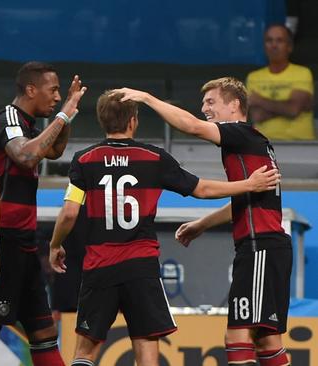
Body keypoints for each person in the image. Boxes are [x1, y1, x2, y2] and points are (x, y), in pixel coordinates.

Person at [48, 90, 280, 366]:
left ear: (101, 121)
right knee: (146, 348)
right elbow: (202, 189)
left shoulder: (84, 160)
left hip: (99, 265)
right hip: (141, 267)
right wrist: (247, 185)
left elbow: (69, 213)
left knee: (85, 351)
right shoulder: (153, 158)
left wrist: (55, 244)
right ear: (134, 121)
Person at [116, 77, 292, 366]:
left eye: (211, 102)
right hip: (267, 248)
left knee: (237, 338)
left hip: (260, 248)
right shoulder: (251, 142)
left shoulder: (239, 134)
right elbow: (248, 199)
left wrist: (147, 98)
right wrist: (202, 224)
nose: (203, 108)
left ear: (235, 105)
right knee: (266, 340)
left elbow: (191, 126)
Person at [0, 61, 86, 366]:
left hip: (23, 242)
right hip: (0, 240)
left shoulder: (26, 123)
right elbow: (27, 156)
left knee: (44, 331)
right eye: (53, 90)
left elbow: (53, 150)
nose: (57, 96)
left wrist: (66, 115)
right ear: (31, 89)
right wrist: (62, 115)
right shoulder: (7, 117)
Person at [246, 24, 314, 140]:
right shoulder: (254, 77)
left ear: (289, 47)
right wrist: (285, 108)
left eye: (279, 40)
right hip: (264, 145)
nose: (274, 45)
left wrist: (260, 100)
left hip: (300, 146)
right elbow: (257, 116)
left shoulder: (302, 73)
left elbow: (293, 110)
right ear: (264, 46)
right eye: (269, 40)